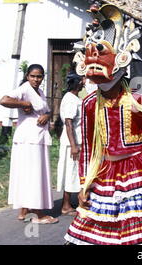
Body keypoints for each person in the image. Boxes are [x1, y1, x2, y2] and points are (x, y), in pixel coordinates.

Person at [64, 4, 142, 245]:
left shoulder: (138, 101)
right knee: (93, 225)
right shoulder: (88, 103)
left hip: (134, 172)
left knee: (131, 231)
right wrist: (84, 182)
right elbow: (88, 148)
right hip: (104, 171)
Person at [0, 64, 58, 224]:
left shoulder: (39, 92)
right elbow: (3, 100)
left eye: (39, 76)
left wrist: (47, 115)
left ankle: (24, 210)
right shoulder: (24, 89)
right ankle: (39, 215)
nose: (36, 79)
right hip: (29, 140)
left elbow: (45, 109)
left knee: (27, 173)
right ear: (27, 76)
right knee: (34, 174)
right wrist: (24, 104)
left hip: (36, 138)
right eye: (33, 76)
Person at [57, 72, 85, 216]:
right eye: (82, 80)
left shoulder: (75, 98)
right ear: (76, 83)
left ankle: (70, 202)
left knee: (74, 172)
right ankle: (66, 205)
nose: (84, 82)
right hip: (72, 143)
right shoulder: (70, 99)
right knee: (70, 172)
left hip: (77, 141)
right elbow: (68, 123)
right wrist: (74, 146)